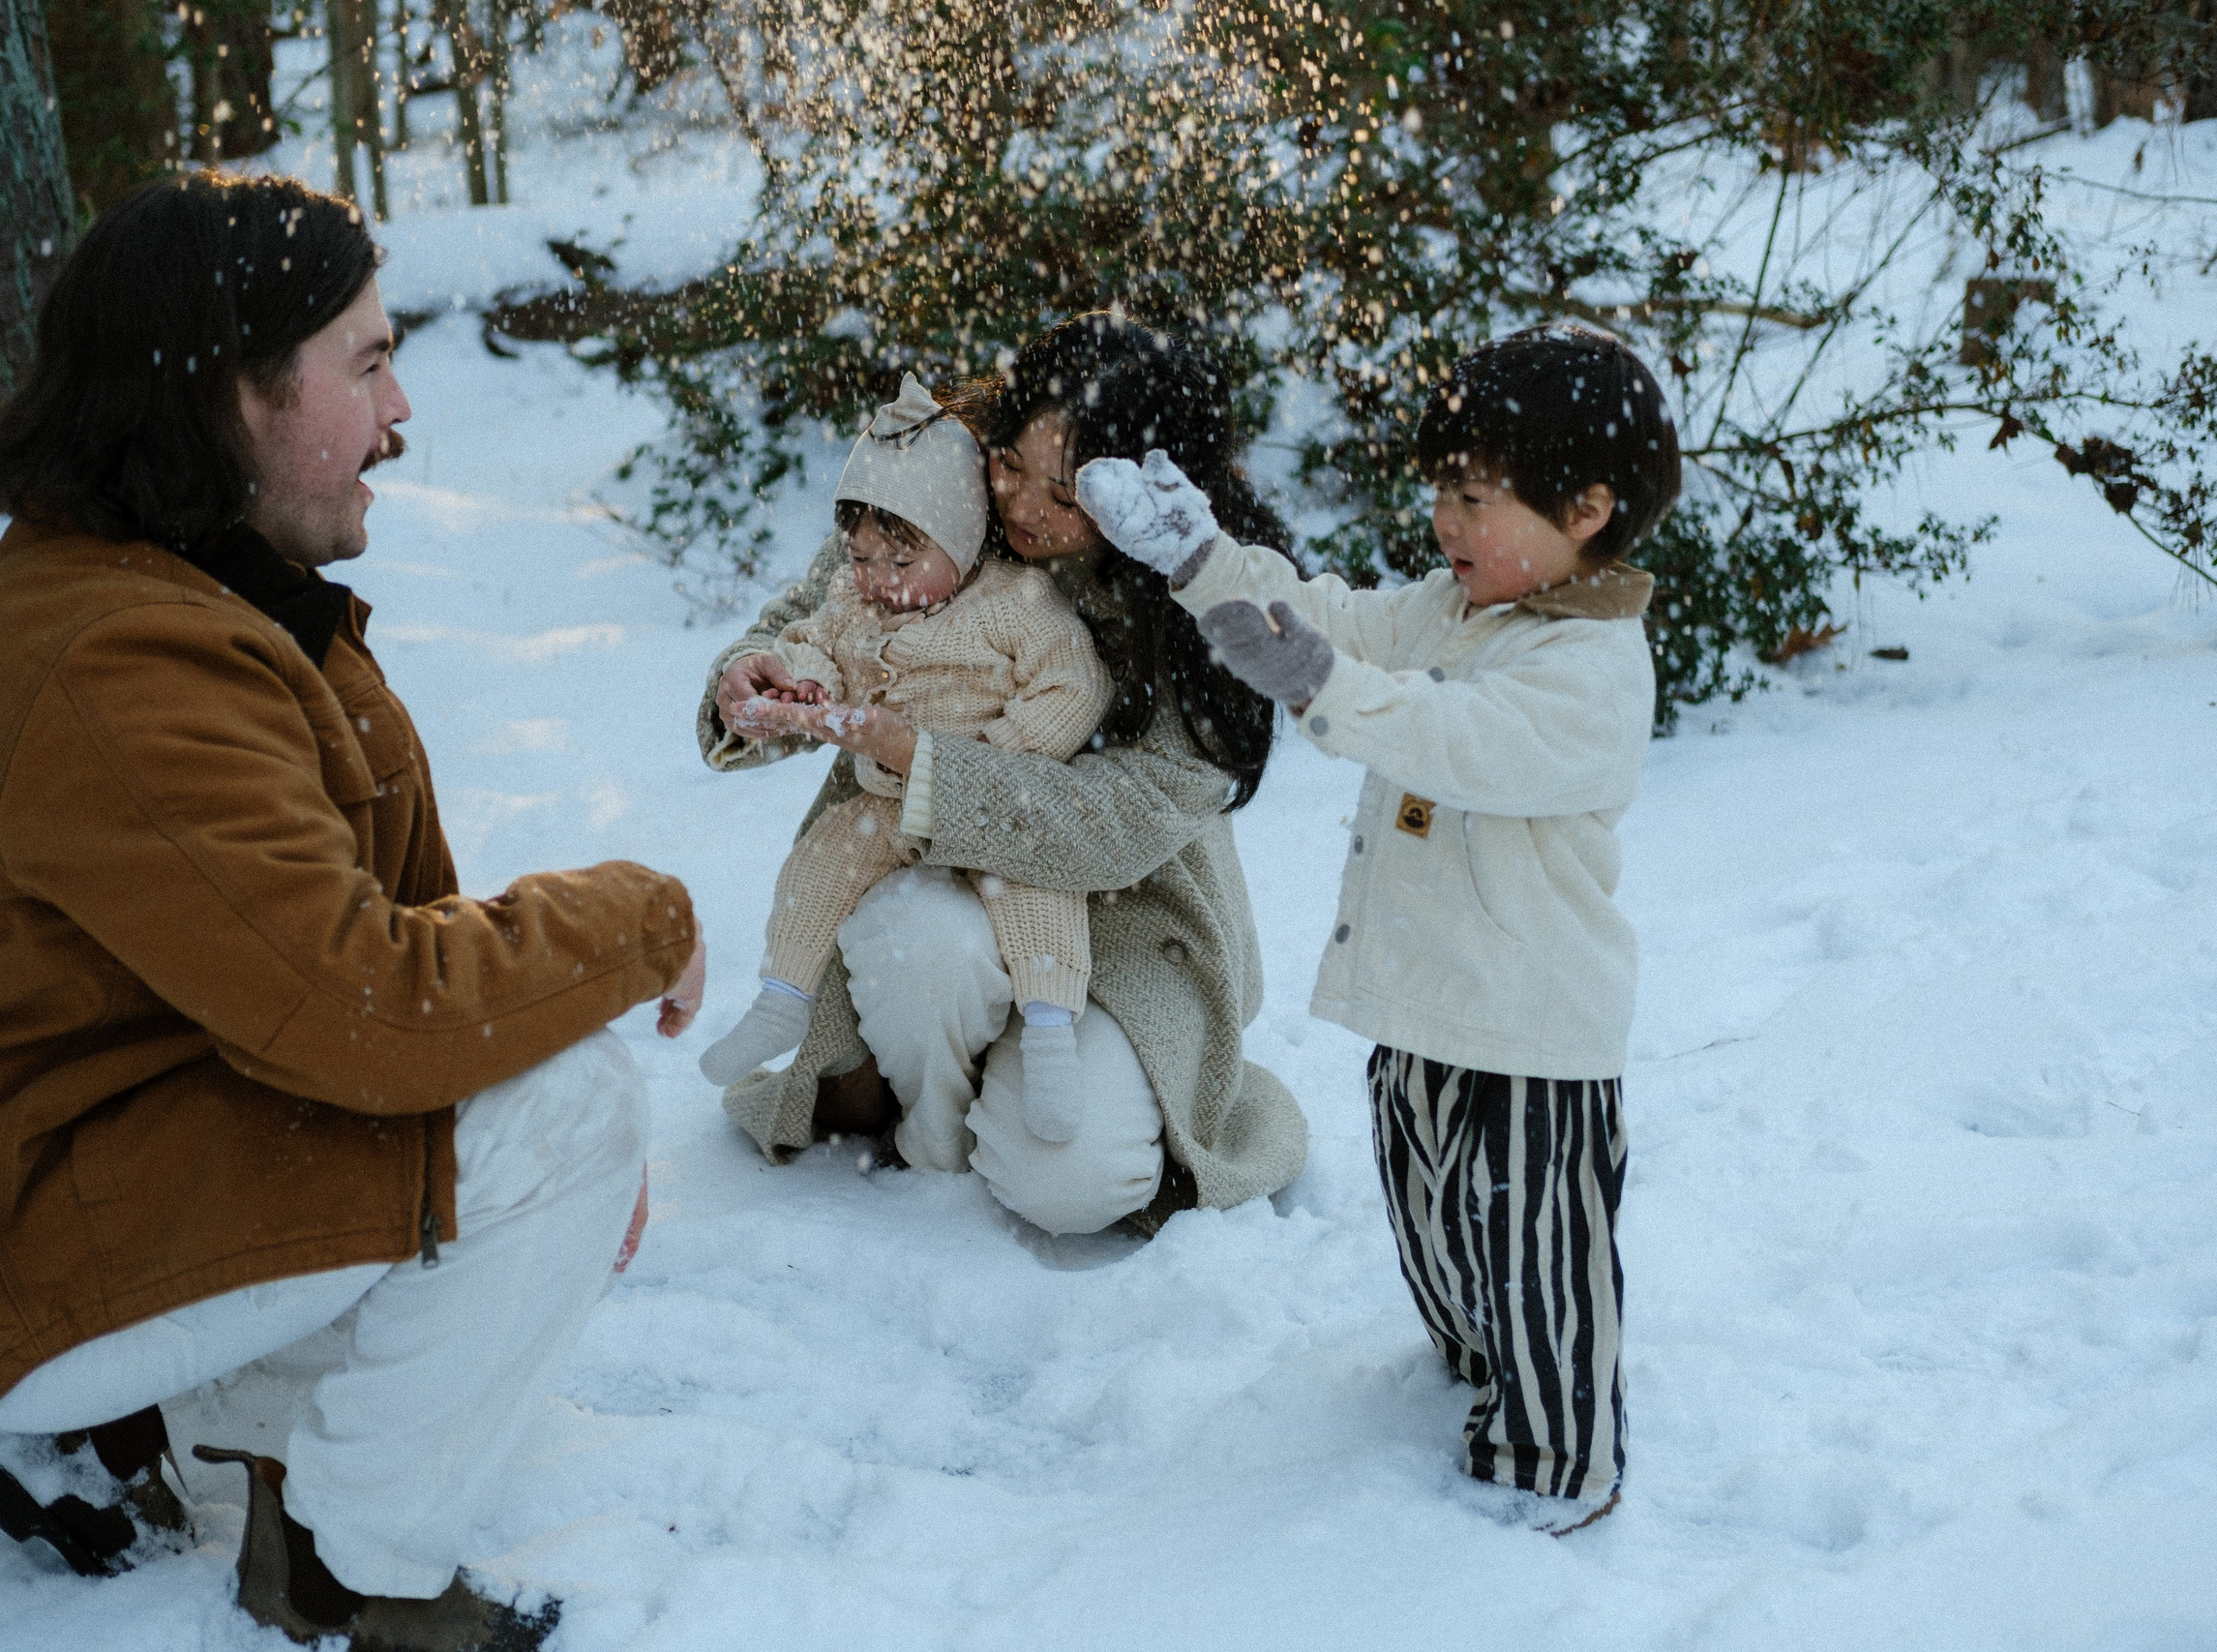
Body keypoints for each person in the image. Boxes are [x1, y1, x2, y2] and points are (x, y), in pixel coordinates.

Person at [0, 172, 704, 1651]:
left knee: (510, 1145)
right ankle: (364, 1568)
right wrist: (637, 924)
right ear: (224, 393)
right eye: (364, 364)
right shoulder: (121, 660)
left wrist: (489, 1127)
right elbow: (371, 1009)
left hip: (57, 1168)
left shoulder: (212, 599)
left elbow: (358, 961)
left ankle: (179, 1454)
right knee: (566, 1110)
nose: (402, 413)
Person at [1076, 323, 1681, 1531]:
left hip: (1529, 1028)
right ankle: (1469, 1359)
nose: (1444, 521)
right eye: (1439, 490)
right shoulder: (1463, 611)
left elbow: (1453, 741)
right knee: (1435, 1209)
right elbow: (1338, 623)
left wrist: (1318, 688)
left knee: (1531, 1243)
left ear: (1588, 509)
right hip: (1426, 1000)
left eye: (1474, 494)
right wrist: (1207, 564)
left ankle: (1552, 1460)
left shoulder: (1589, 671)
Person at [698, 314, 1307, 1236]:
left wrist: (923, 759)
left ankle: (1091, 1063)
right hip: (917, 867)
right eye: (1011, 466)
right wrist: (757, 671)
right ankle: (934, 1096)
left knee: (1074, 1184)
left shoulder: (1196, 593)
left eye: (1066, 496)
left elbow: (1123, 816)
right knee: (924, 945)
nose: (1022, 508)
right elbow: (824, 605)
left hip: (1128, 915)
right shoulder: (944, 479)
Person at [697, 375, 1112, 1155]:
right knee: (821, 858)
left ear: (958, 541)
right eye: (860, 556)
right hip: (889, 803)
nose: (878, 577)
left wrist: (1000, 755)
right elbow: (807, 636)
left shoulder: (1016, 601)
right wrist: (783, 675)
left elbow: (1073, 683)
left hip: (1007, 805)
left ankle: (1051, 1032)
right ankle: (782, 994)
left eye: (902, 558)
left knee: (1040, 894)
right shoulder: (859, 596)